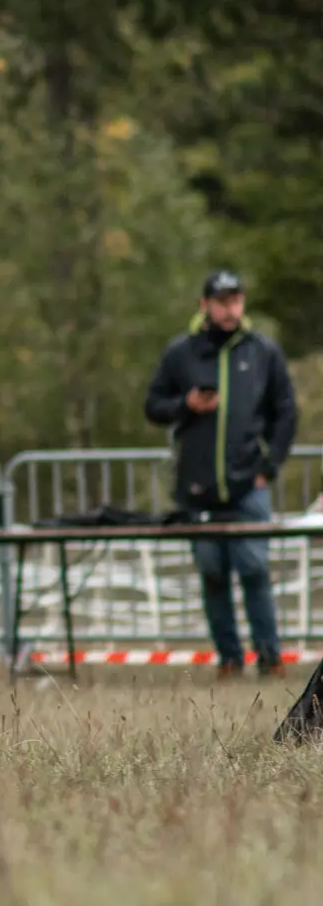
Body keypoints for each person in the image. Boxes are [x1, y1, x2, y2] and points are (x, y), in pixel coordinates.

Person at [144, 270, 299, 677]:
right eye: (222, 301)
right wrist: (186, 405)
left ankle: (270, 656)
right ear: (205, 305)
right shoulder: (181, 352)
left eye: (236, 300)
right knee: (213, 574)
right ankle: (229, 658)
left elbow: (285, 410)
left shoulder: (262, 351)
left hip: (249, 485)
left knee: (254, 569)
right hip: (198, 489)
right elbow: (153, 406)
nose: (230, 309)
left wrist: (271, 464)